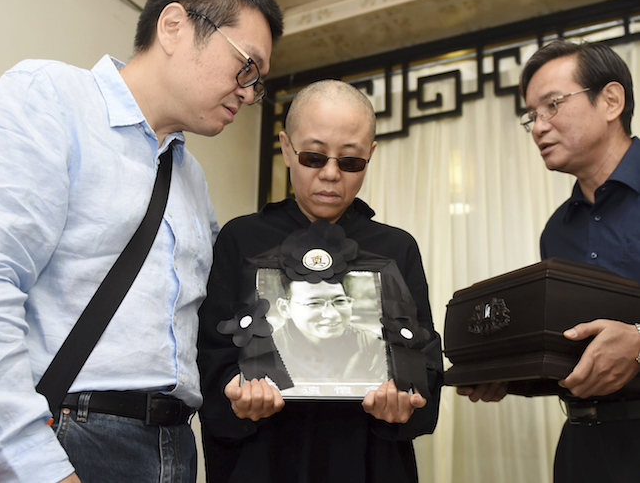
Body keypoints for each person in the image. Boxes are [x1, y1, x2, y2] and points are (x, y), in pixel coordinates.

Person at [0, 0, 282, 482]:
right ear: (174, 27)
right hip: (69, 436)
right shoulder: (52, 98)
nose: (248, 90)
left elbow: (213, 320)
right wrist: (36, 464)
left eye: (256, 81)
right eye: (246, 65)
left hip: (175, 445)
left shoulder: (191, 178)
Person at [198, 79, 443, 482]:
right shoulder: (241, 239)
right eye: (314, 157)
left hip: (369, 459)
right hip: (264, 458)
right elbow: (210, 354)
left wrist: (405, 399)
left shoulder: (397, 248)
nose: (331, 175)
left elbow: (426, 361)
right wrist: (237, 392)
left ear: (371, 155)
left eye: (350, 162)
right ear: (286, 148)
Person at [459, 40, 640, 482]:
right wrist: (508, 373)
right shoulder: (557, 230)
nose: (538, 127)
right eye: (531, 116)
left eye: (552, 105)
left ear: (611, 100)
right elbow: (572, 354)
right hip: (583, 446)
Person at [273, 277, 387, 383]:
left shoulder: (374, 346)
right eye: (314, 303)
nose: (332, 314)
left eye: (339, 301)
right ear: (284, 308)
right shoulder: (268, 349)